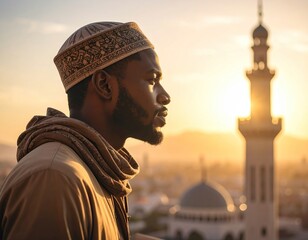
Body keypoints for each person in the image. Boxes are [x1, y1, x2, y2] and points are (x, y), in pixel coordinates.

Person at [0, 21, 170, 240]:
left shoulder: (96, 170)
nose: (165, 96)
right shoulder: (54, 178)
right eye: (152, 80)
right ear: (105, 85)